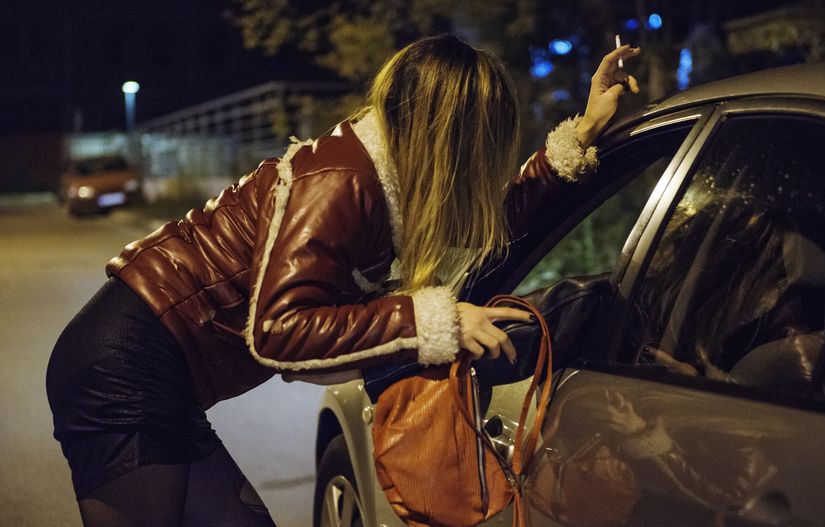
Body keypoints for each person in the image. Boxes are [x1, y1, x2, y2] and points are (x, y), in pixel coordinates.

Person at [46, 34, 642, 526]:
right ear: (449, 134)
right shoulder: (341, 182)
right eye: (482, 140)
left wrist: (583, 133)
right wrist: (439, 319)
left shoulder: (388, 183)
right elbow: (279, 330)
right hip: (119, 370)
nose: (484, 158)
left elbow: (492, 219)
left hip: (158, 379)